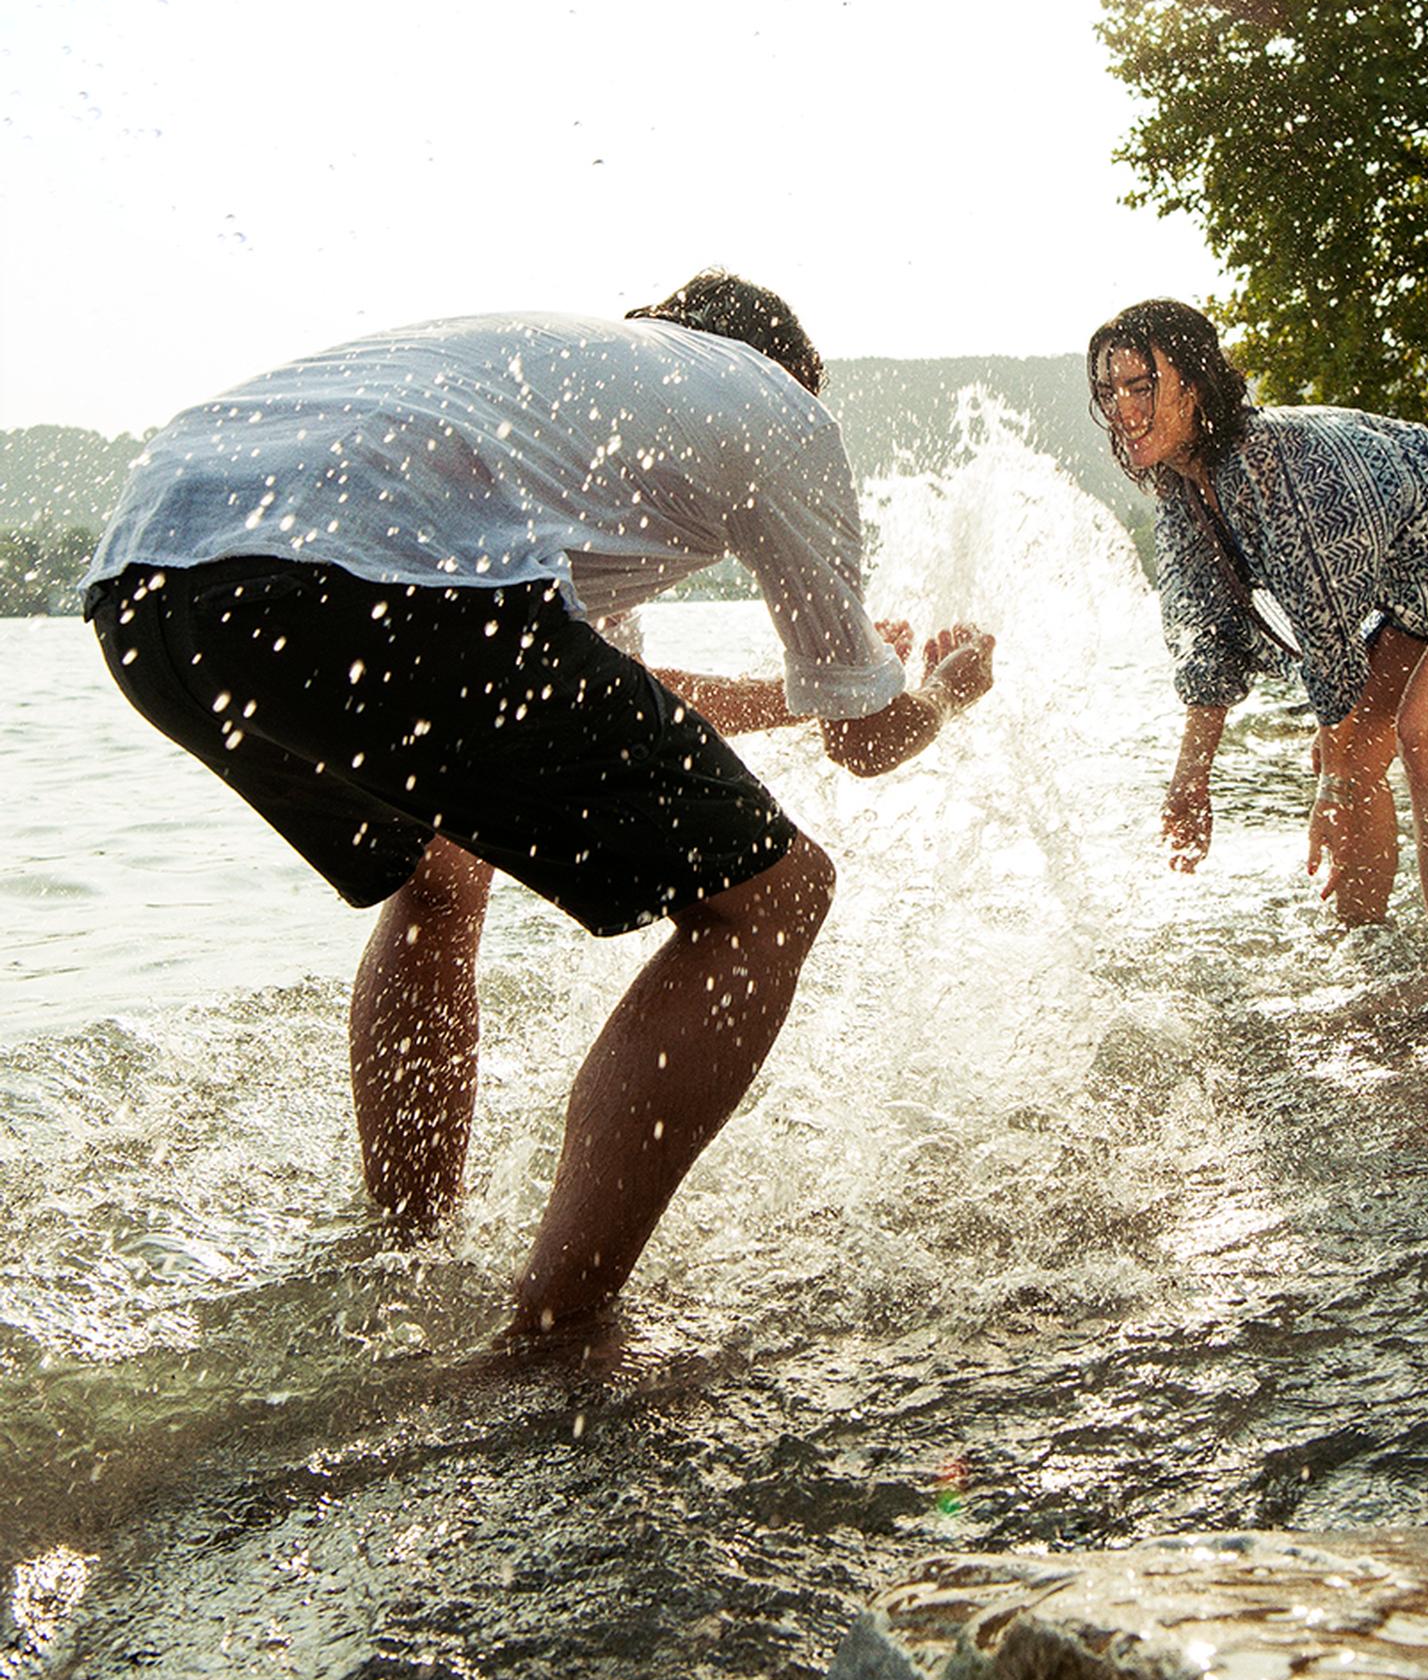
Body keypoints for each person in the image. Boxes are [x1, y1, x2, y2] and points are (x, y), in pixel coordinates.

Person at [84, 274, 995, 1335]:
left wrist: (800, 702)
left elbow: (616, 701)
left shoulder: (562, 398)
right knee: (777, 896)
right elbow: (865, 738)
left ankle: (405, 1252)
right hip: (381, 578)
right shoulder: (779, 409)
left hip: (151, 587)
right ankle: (552, 1337)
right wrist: (940, 688)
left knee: (441, 868)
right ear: (799, 376)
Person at [1087, 300, 1428, 975]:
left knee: (1426, 732)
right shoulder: (1185, 490)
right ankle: (1365, 950)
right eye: (1110, 389)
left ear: (1195, 383)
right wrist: (1191, 777)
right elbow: (1207, 638)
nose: (1123, 408)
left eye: (1140, 385)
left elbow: (1328, 634)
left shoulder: (1283, 470)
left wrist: (1334, 789)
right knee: (1344, 761)